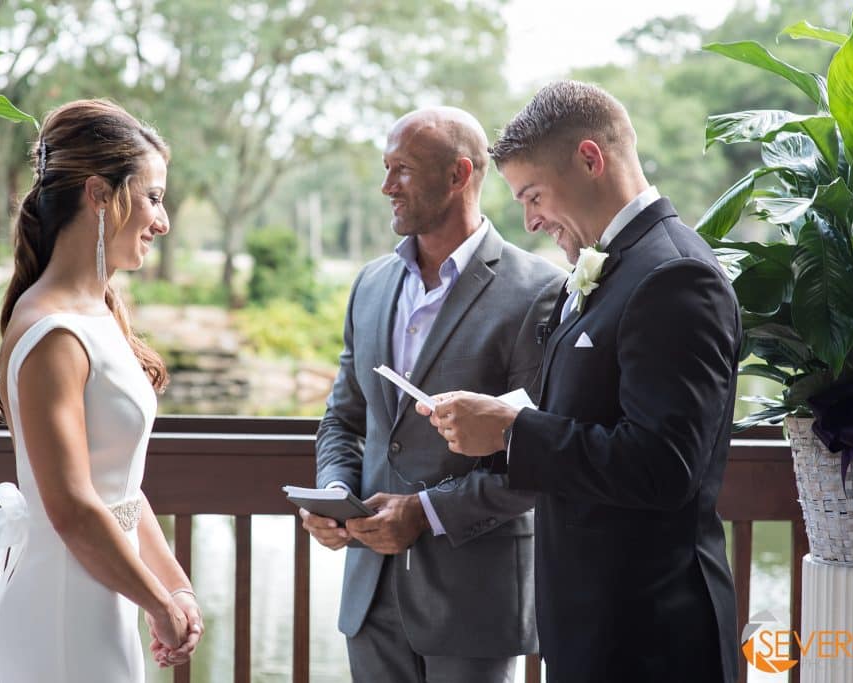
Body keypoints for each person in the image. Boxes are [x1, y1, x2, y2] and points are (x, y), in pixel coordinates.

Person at [420, 81, 741, 683]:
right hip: (591, 624)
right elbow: (587, 416)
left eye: (534, 194)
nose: (530, 219)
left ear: (591, 159)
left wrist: (515, 432)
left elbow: (663, 465)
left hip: (649, 633)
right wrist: (499, 423)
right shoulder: (607, 265)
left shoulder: (674, 276)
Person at [305, 106, 564, 682]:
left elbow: (540, 456)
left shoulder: (539, 292)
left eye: (402, 169)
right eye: (386, 167)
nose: (386, 185)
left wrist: (425, 513)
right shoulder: (370, 284)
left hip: (474, 599)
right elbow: (343, 421)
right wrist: (334, 494)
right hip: (368, 595)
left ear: (459, 175)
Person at [0, 99, 203, 682]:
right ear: (100, 194)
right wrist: (157, 602)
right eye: (152, 197)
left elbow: (118, 488)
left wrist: (173, 585)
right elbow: (74, 509)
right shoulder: (53, 330)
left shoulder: (98, 312)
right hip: (62, 602)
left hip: (104, 590)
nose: (163, 220)